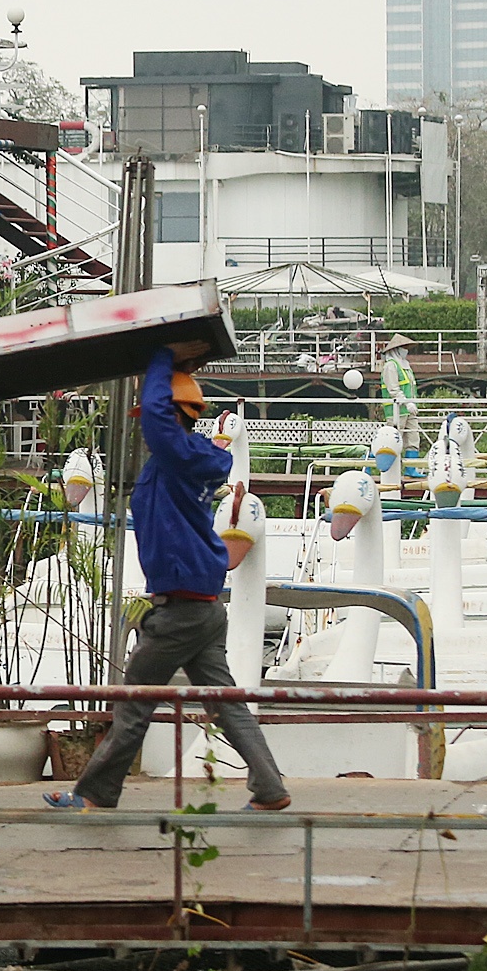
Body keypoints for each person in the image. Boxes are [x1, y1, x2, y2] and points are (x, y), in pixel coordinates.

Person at [44, 346, 291, 812]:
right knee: (227, 704)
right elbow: (161, 418)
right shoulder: (194, 459)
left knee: (135, 701)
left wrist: (157, 357)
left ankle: (94, 794)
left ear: (171, 416)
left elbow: (157, 415)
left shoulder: (176, 456)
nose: (142, 424)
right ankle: (270, 788)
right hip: (202, 606)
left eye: (149, 416)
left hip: (180, 610)